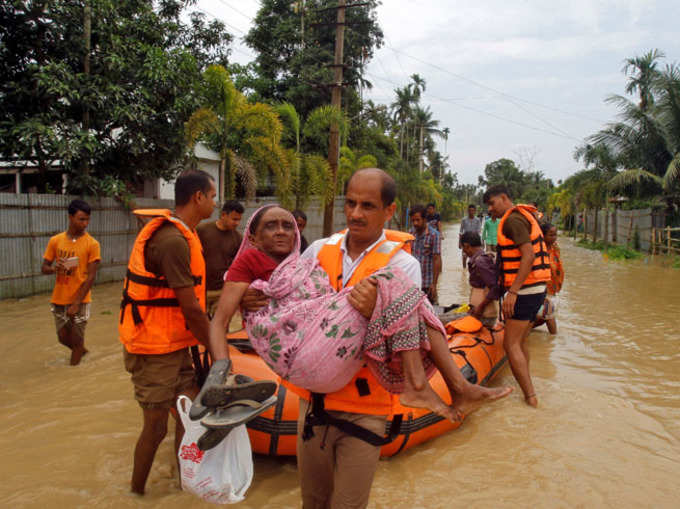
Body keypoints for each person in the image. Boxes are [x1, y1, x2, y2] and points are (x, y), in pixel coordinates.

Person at [236, 169, 510, 508]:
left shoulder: (403, 264)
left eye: (367, 206)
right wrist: (251, 299)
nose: (355, 214)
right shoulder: (319, 250)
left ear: (389, 211)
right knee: (313, 503)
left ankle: (442, 388)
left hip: (362, 410)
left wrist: (375, 313)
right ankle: (455, 388)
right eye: (351, 203)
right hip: (312, 404)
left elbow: (407, 338)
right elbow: (290, 308)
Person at [119, 170, 221, 495]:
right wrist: (219, 353)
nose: (215, 203)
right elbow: (191, 308)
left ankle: (183, 484)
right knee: (155, 426)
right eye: (213, 196)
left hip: (174, 345)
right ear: (198, 198)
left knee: (187, 414)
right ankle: (136, 493)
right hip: (152, 349)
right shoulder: (173, 241)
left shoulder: (184, 235)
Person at [483, 185, 551, 408]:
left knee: (510, 344)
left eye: (492, 203)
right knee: (520, 342)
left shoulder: (512, 221)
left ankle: (530, 397)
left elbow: (528, 256)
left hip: (524, 290)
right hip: (535, 289)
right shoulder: (521, 217)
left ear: (504, 198)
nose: (490, 209)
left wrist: (512, 292)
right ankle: (528, 387)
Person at [41, 199, 101, 366]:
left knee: (76, 341)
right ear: (70, 217)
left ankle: (72, 372)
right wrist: (55, 269)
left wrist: (76, 303)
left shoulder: (93, 244)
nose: (85, 223)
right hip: (59, 297)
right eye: (81, 219)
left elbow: (90, 277)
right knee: (62, 338)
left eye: (87, 219)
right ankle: (83, 351)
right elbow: (44, 267)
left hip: (80, 299)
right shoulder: (56, 241)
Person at [197, 200, 244, 316]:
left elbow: (240, 265)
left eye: (239, 220)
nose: (237, 223)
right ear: (223, 215)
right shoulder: (202, 230)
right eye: (234, 219)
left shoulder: (238, 238)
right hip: (201, 289)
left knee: (220, 327)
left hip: (222, 291)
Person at [460, 231, 501, 329]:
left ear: (467, 246)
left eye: (463, 248)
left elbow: (495, 288)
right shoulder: (481, 259)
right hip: (480, 311)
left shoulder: (480, 262)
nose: (463, 251)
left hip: (485, 314)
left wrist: (480, 307)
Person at [533, 223, 564, 334]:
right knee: (549, 316)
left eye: (555, 234)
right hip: (542, 288)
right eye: (551, 235)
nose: (554, 237)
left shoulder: (555, 247)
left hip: (552, 288)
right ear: (543, 235)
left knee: (544, 316)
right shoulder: (538, 250)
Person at [409, 204, 441, 304]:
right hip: (413, 283)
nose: (415, 223)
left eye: (418, 220)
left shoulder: (434, 235)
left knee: (431, 312)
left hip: (427, 283)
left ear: (424, 219)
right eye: (413, 220)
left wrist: (434, 284)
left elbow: (437, 259)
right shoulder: (410, 234)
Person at [459, 204, 482, 269]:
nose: (471, 212)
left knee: (475, 256)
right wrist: (460, 242)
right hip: (465, 241)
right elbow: (461, 231)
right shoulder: (464, 220)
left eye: (472, 210)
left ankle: (473, 269)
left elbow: (478, 232)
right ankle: (464, 270)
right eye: (470, 210)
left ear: (475, 211)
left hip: (474, 242)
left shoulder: (477, 220)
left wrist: (480, 243)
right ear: (468, 211)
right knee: (464, 256)